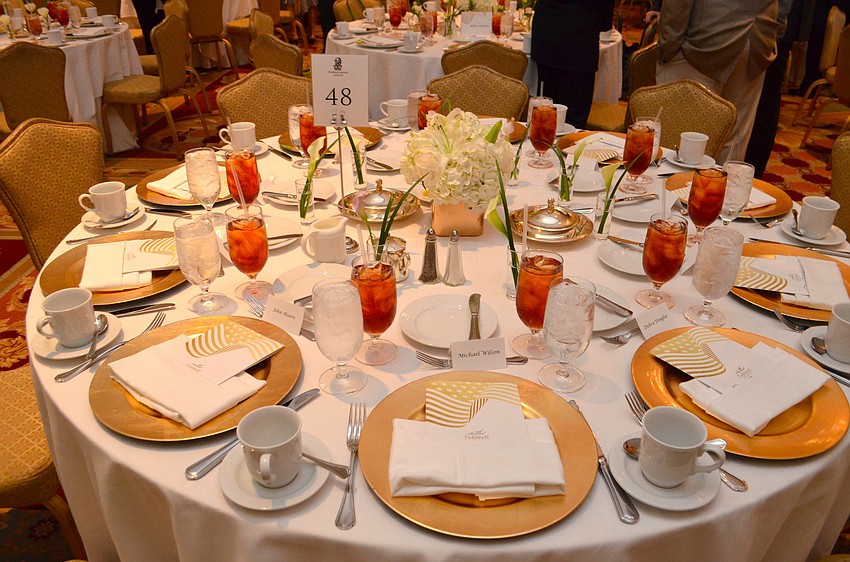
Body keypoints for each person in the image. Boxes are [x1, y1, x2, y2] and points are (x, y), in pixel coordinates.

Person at [656, 0, 780, 163]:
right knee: (734, 136)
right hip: (757, 36)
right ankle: (718, 187)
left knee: (681, 136)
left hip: (703, 40)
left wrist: (668, 46)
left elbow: (677, 7)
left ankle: (674, 187)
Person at [530, 0, 616, 130]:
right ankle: (564, 147)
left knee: (547, 106)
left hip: (547, 28)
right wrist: (602, 23)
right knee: (573, 114)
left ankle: (543, 146)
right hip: (578, 34)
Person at [746, 0, 798, 177]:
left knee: (763, 111)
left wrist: (775, 30)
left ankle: (751, 180)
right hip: (762, 31)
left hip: (767, 34)